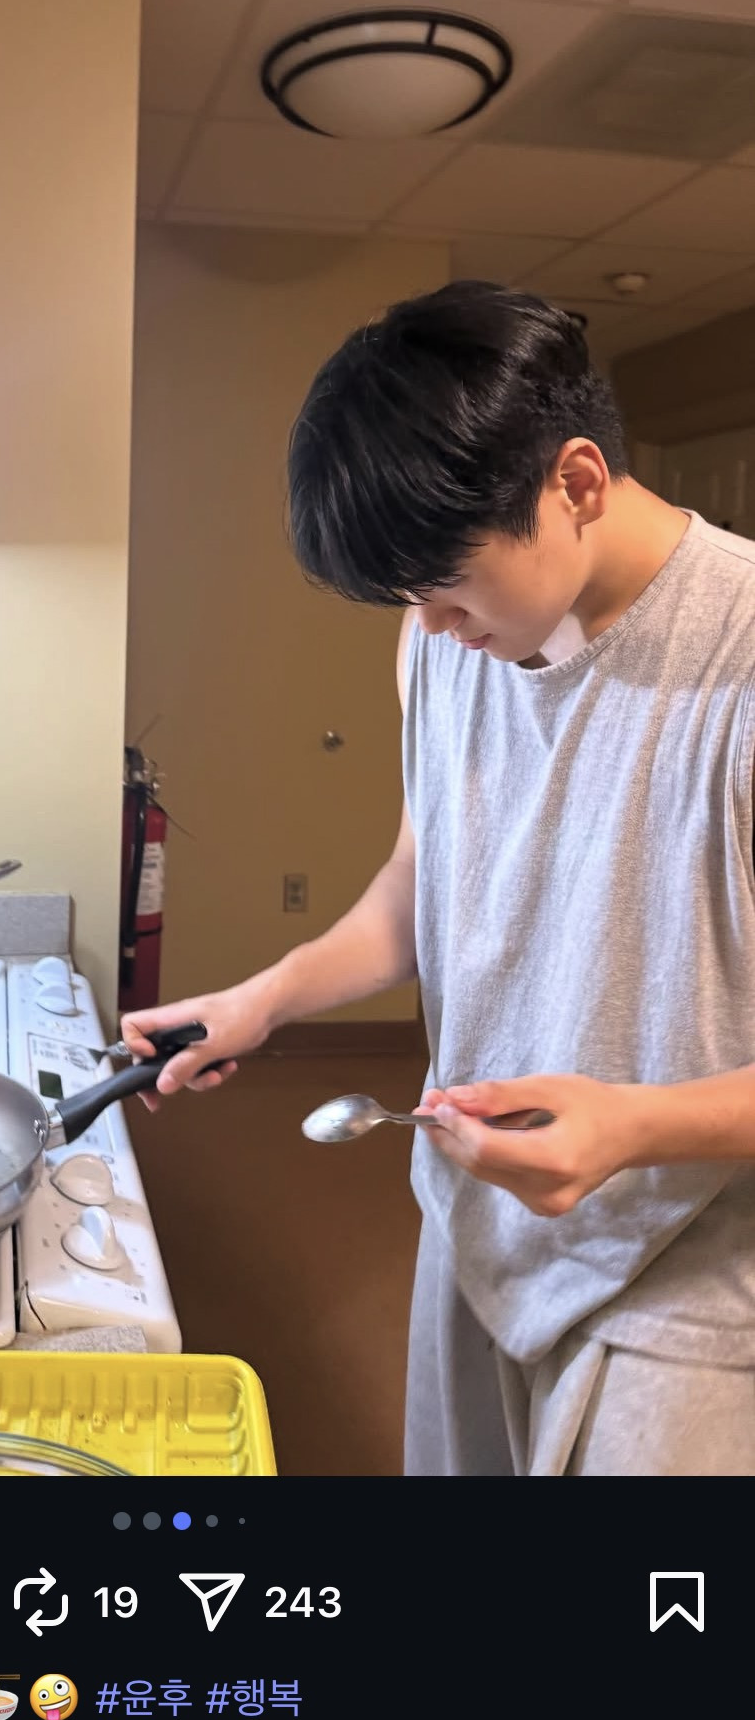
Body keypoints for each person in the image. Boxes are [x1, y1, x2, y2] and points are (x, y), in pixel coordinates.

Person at [121, 280, 755, 1478]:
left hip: (683, 1269)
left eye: (450, 588)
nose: (431, 627)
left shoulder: (739, 653)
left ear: (576, 484)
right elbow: (423, 889)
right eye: (410, 602)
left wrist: (638, 1127)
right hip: (476, 1217)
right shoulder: (439, 639)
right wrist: (264, 999)